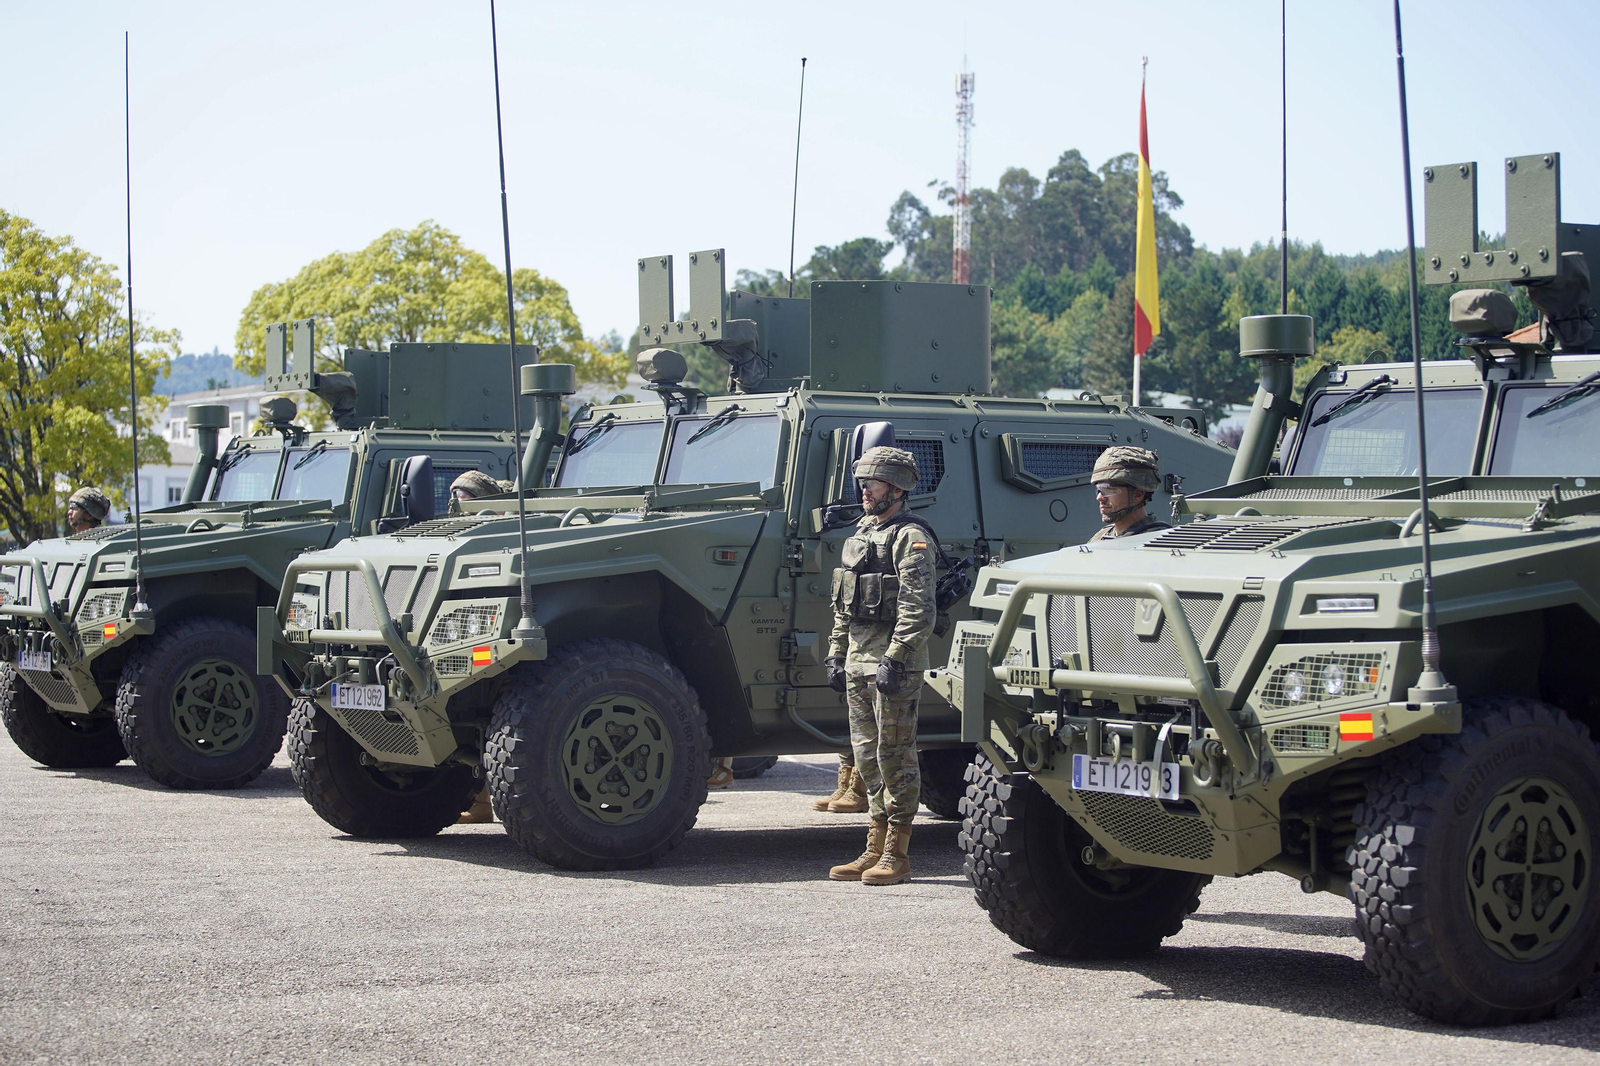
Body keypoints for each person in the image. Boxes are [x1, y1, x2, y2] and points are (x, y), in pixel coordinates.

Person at [825, 446, 938, 886]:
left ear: (896, 488)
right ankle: (873, 846)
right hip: (858, 662)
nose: (864, 490)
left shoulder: (910, 537)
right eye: (863, 482)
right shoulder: (863, 532)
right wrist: (836, 653)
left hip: (894, 666)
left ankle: (898, 852)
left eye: (871, 483)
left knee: (896, 757)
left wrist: (897, 657)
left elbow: (918, 608)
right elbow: (843, 604)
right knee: (867, 758)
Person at [452, 469, 507, 825]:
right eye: (456, 500)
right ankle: (478, 801)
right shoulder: (460, 532)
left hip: (489, 634)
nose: (459, 507)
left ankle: (482, 803)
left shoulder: (500, 532)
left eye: (466, 499)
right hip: (460, 631)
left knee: (489, 722)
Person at [1087, 447, 1171, 541]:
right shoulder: (1101, 536)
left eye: (1108, 489)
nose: (1099, 497)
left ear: (1137, 495)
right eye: (1099, 490)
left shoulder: (1160, 541)